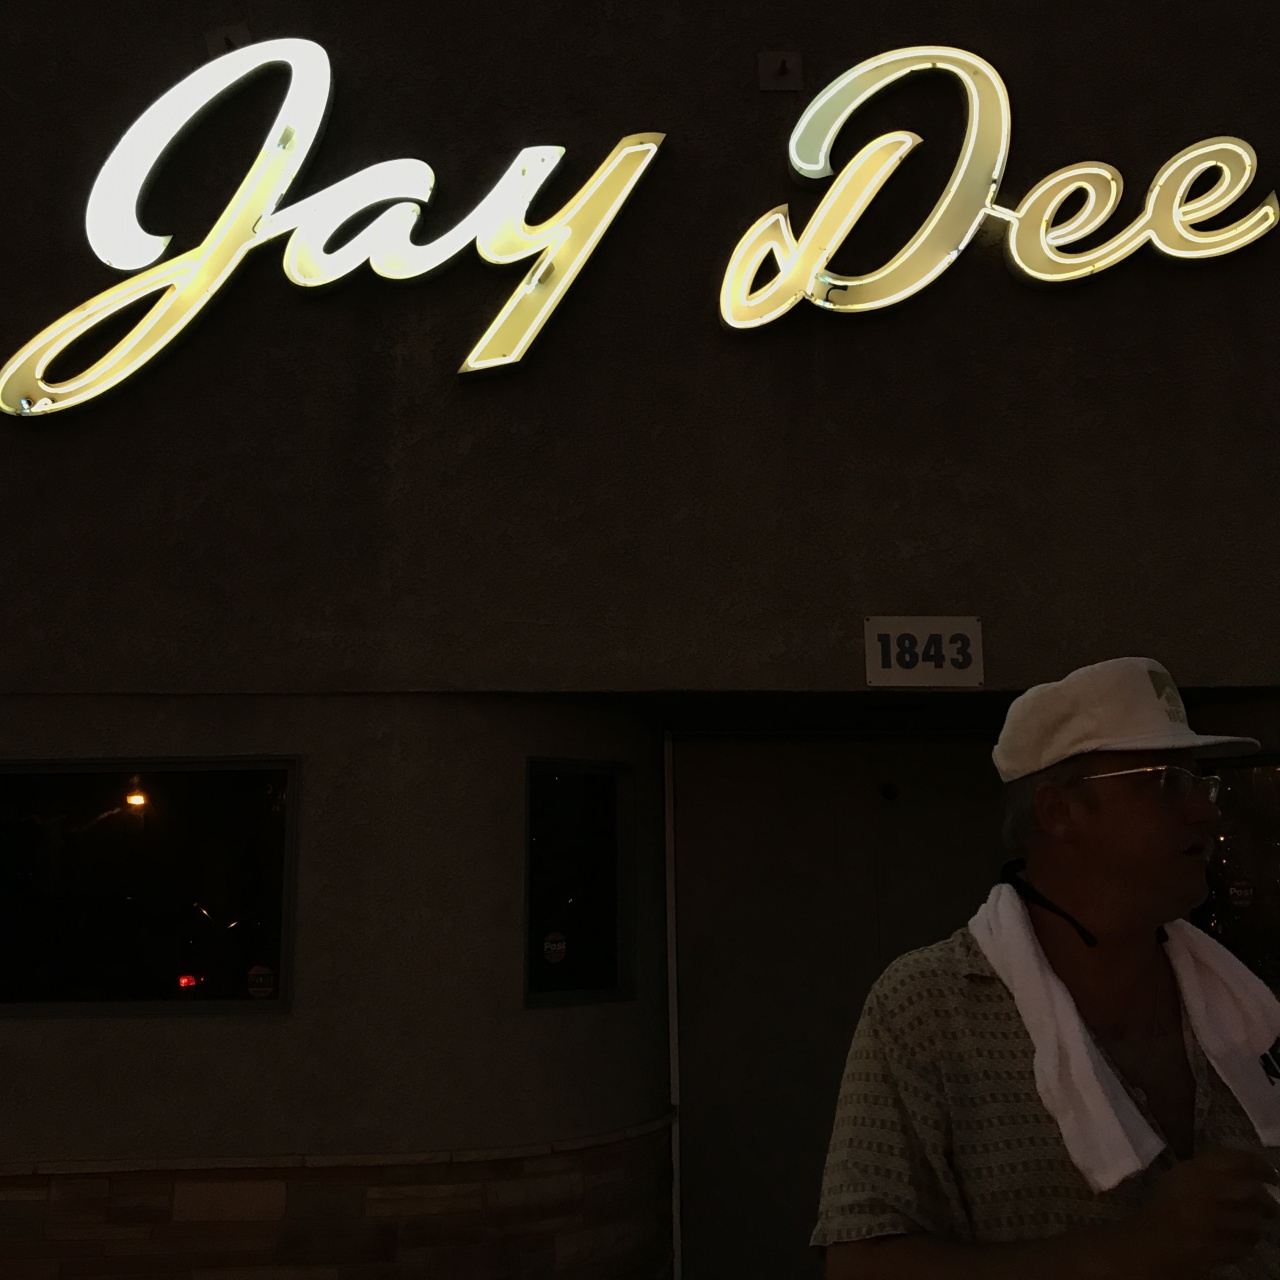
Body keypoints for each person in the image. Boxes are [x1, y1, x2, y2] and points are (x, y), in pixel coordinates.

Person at [812, 657, 1280, 1280]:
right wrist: (1139, 1249)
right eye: (1166, 782)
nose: (1206, 811)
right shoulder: (928, 1008)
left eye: (1202, 783)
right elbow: (860, 1265)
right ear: (1058, 811)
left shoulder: (1247, 1006)